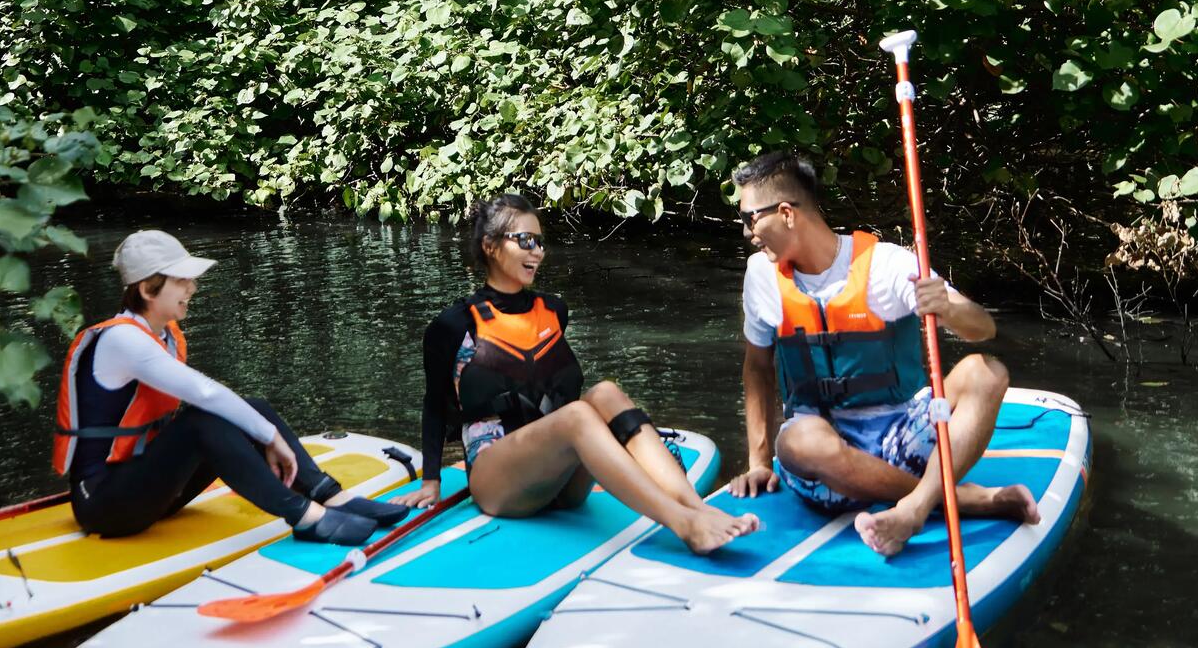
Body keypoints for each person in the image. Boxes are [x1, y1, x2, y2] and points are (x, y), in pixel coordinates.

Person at [725, 151, 1040, 556]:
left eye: (750, 218)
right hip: (826, 471)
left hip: (902, 440)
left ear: (786, 213)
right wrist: (759, 462)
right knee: (801, 440)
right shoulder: (761, 276)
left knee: (987, 372)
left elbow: (983, 329)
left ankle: (916, 507)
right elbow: (758, 369)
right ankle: (961, 500)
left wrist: (947, 306)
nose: (748, 232)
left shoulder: (887, 265)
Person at [404, 194, 757, 553]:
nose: (537, 252)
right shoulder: (452, 325)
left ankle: (698, 509)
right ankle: (683, 524)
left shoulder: (554, 311)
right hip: (499, 483)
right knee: (577, 416)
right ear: (491, 247)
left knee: (605, 393)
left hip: (561, 482)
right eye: (525, 241)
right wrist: (430, 480)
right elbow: (434, 404)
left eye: (540, 242)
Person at [53, 230, 408, 544]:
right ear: (148, 289)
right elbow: (206, 394)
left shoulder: (161, 335)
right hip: (104, 505)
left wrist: (262, 429)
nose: (192, 287)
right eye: (181, 280)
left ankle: (329, 495)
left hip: (146, 490)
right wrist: (271, 438)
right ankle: (304, 516)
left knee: (249, 407)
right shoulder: (121, 341)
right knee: (202, 421)